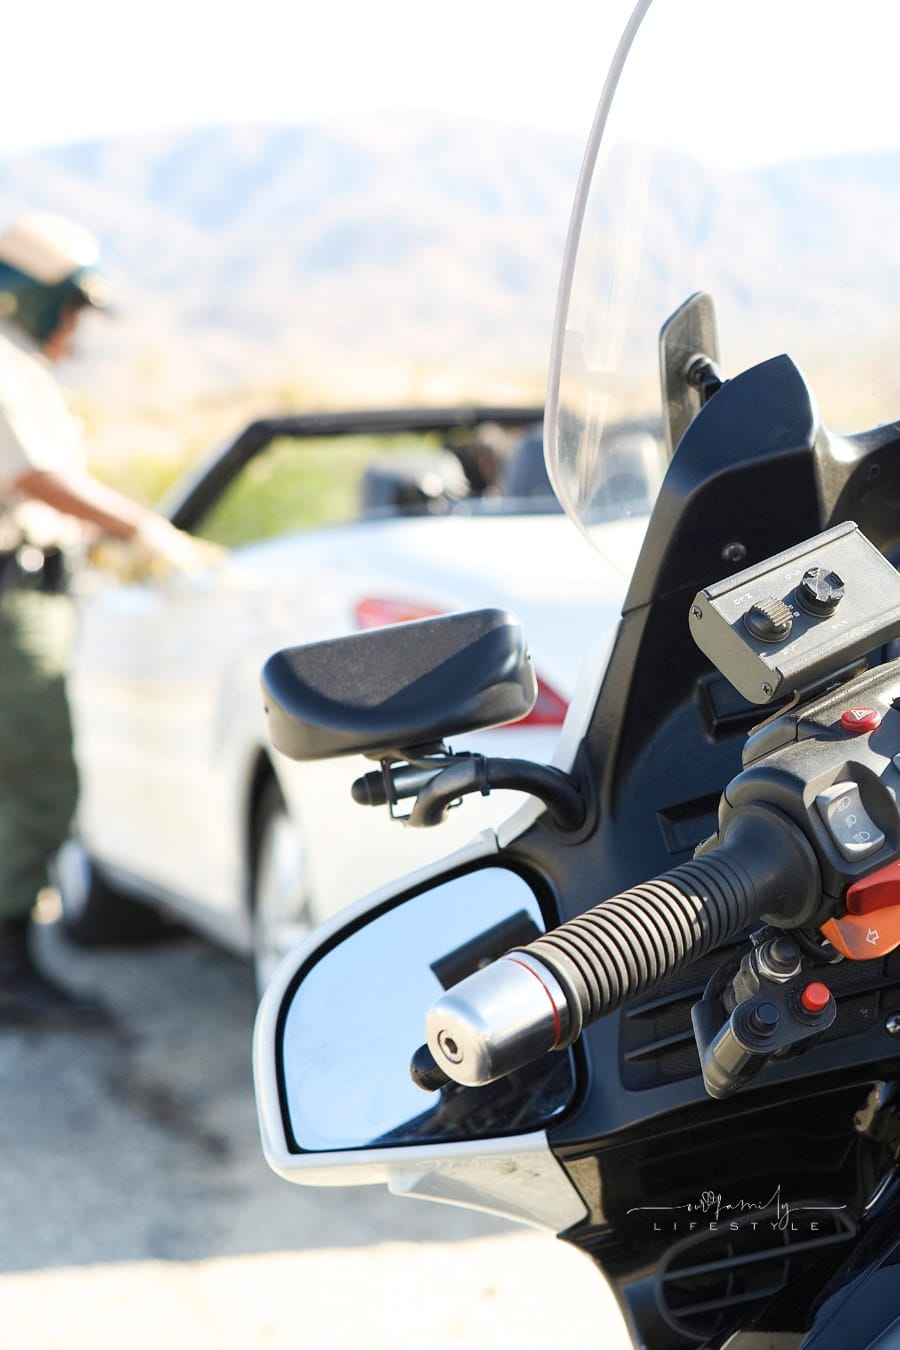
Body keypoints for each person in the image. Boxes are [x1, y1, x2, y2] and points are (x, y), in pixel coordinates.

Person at [0, 210, 208, 1028]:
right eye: (72, 307)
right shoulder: (5, 366)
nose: (77, 327)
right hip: (14, 604)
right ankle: (10, 974)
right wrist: (139, 528)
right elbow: (37, 477)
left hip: (34, 586)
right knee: (39, 788)